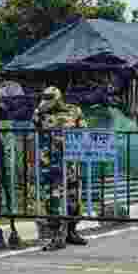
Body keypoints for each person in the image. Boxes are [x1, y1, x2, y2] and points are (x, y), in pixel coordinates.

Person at [32, 86, 88, 250]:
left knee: (74, 196)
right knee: (52, 198)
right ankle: (56, 236)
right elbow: (34, 129)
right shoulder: (40, 113)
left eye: (49, 98)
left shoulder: (75, 111)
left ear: (58, 98)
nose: (46, 101)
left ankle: (71, 231)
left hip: (71, 162)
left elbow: (84, 130)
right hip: (49, 162)